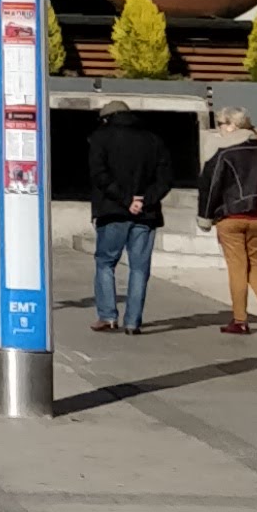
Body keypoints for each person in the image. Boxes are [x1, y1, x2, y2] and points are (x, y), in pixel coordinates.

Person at [196, 103, 257, 337]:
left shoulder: (223, 152)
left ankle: (240, 320)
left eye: (221, 123)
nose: (219, 128)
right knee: (254, 264)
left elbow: (210, 185)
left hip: (230, 217)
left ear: (233, 125)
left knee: (237, 268)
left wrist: (205, 217)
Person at [84, 94, 169, 334]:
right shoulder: (153, 139)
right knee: (139, 268)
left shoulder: (101, 138)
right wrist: (144, 200)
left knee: (105, 263)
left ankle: (108, 316)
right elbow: (165, 179)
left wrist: (125, 200)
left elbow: (99, 175)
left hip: (113, 211)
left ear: (107, 119)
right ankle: (133, 322)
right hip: (146, 213)